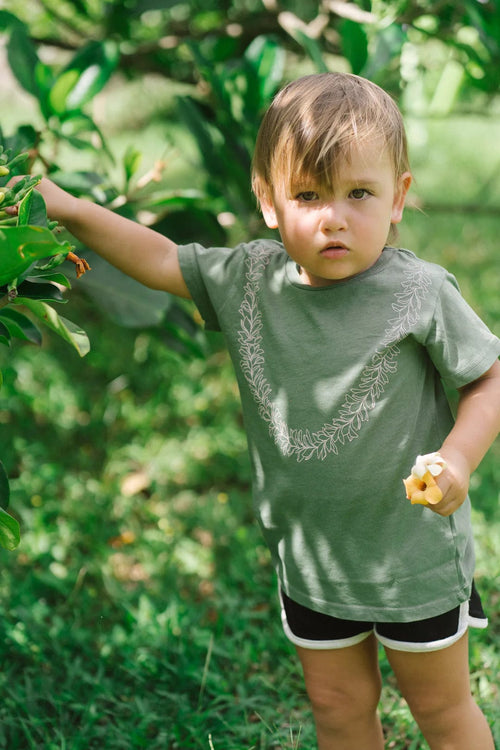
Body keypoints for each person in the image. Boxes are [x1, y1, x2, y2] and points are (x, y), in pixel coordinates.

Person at [15, 72, 500, 749]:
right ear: (269, 203)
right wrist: (69, 209)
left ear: (399, 198)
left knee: (443, 715)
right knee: (336, 708)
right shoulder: (250, 279)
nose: (334, 216)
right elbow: (158, 257)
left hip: (408, 559)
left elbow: (487, 378)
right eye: (309, 194)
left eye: (359, 193)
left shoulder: (417, 292)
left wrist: (459, 457)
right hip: (311, 561)